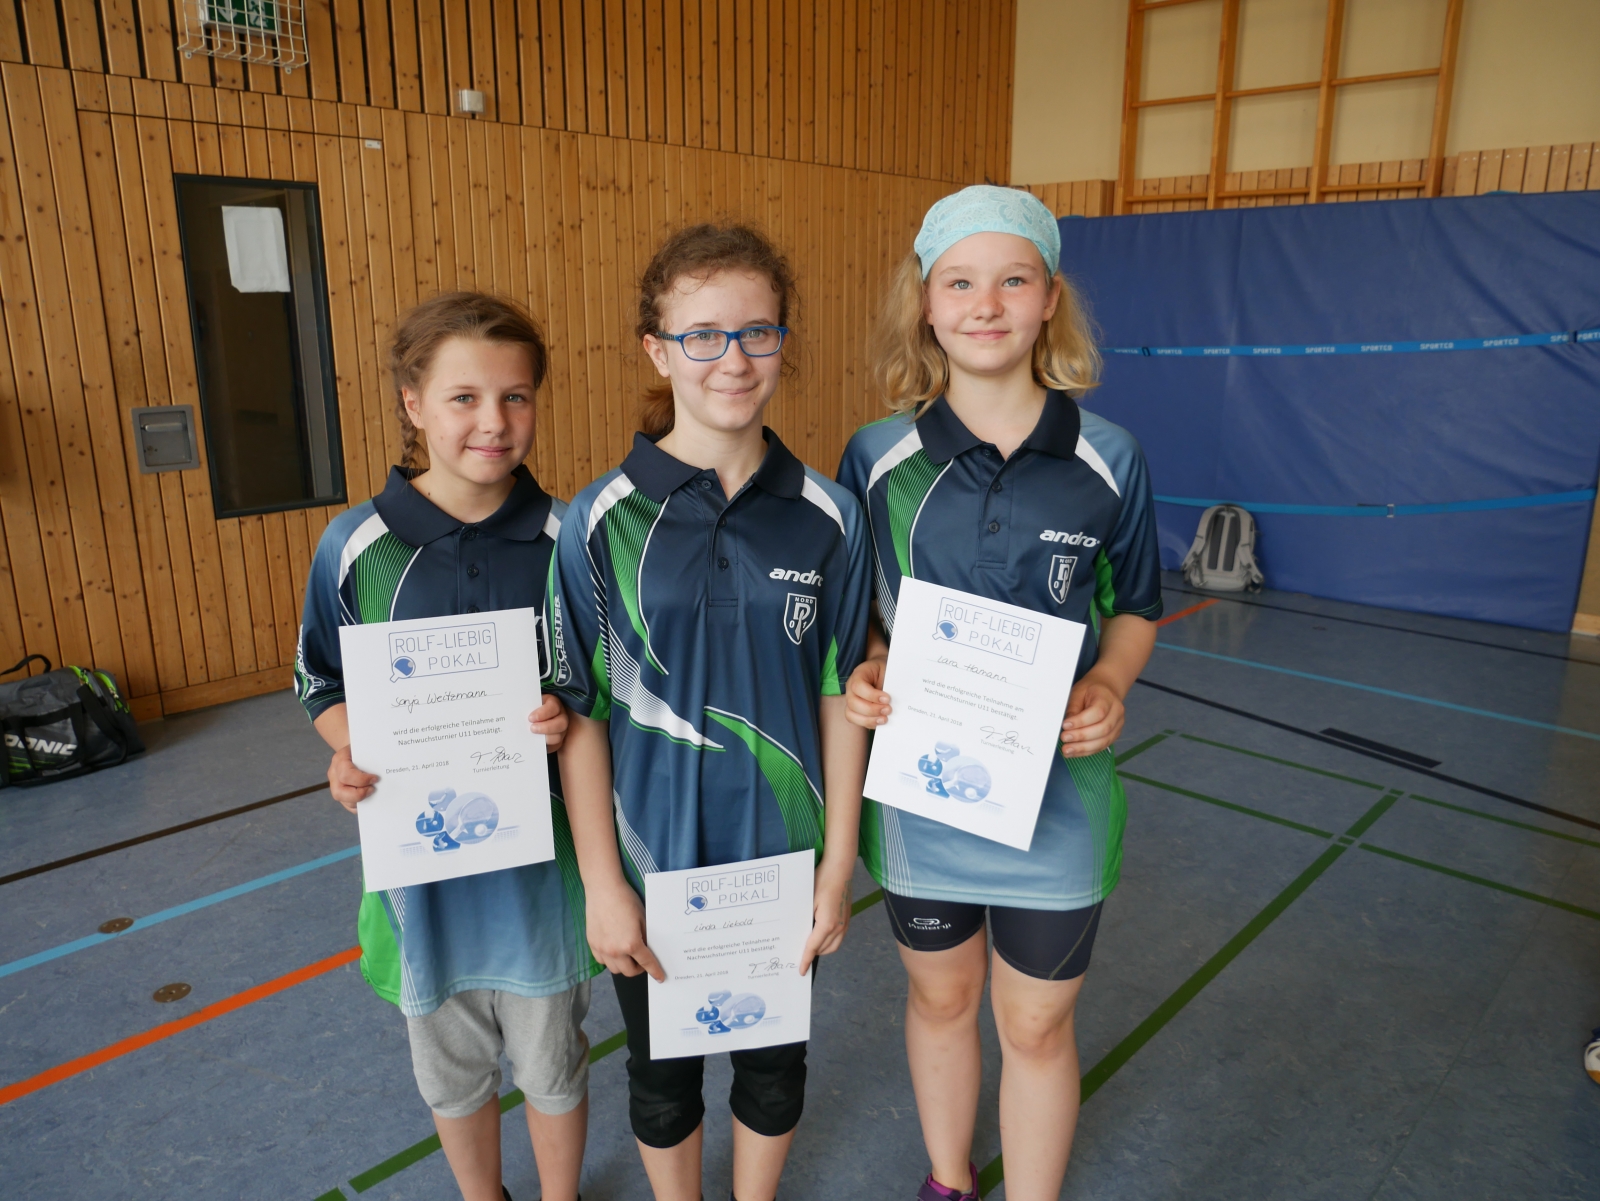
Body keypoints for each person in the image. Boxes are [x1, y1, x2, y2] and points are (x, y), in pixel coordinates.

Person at [836, 186, 1164, 1201]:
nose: (986, 304)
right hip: (924, 793)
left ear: (1049, 298)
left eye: (1013, 280)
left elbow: (1136, 606)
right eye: (960, 283)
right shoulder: (875, 456)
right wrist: (869, 667)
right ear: (926, 304)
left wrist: (1109, 679)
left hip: (1060, 796)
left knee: (1035, 1021)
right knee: (942, 1000)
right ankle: (949, 1180)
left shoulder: (1110, 456)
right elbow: (860, 615)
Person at [547, 224, 871, 1201]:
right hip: (652, 863)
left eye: (757, 332)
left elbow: (842, 695)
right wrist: (603, 884)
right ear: (658, 350)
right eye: (702, 335)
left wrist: (837, 865)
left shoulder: (830, 515)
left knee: (775, 1068)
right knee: (661, 1079)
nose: (733, 359)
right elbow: (580, 715)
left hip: (782, 859)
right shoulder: (596, 521)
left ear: (782, 342)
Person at [295, 292, 597, 1201]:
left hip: (544, 876)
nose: (493, 422)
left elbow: (594, 686)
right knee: (451, 1069)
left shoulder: (570, 538)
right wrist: (348, 752)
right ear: (412, 402)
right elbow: (319, 679)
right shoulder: (355, 545)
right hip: (419, 879)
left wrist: (564, 715)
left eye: (515, 396)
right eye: (464, 397)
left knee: (553, 1062)